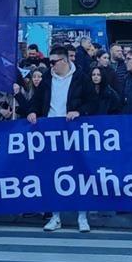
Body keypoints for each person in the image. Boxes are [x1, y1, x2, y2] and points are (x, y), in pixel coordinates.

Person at [38, 45, 88, 233]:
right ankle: (55, 216)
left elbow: (92, 101)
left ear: (65, 61)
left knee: (80, 174)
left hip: (74, 131)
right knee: (54, 174)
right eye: (49, 62)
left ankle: (82, 216)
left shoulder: (81, 77)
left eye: (54, 62)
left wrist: (78, 112)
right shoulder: (47, 78)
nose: (51, 65)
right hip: (51, 132)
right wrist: (34, 112)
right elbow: (38, 99)